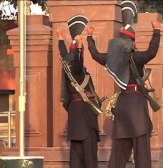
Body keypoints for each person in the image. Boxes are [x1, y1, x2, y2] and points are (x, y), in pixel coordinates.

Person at [86, 20, 161, 167]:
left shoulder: (112, 59)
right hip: (137, 106)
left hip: (122, 105)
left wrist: (90, 37)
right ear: (132, 42)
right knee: (142, 151)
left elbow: (95, 55)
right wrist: (156, 31)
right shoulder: (136, 57)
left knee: (119, 152)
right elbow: (152, 52)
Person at [57, 16, 101, 168]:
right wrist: (80, 47)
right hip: (86, 117)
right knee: (90, 159)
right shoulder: (76, 68)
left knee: (75, 159)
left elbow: (64, 55)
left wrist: (61, 39)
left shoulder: (66, 65)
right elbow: (77, 62)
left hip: (75, 118)